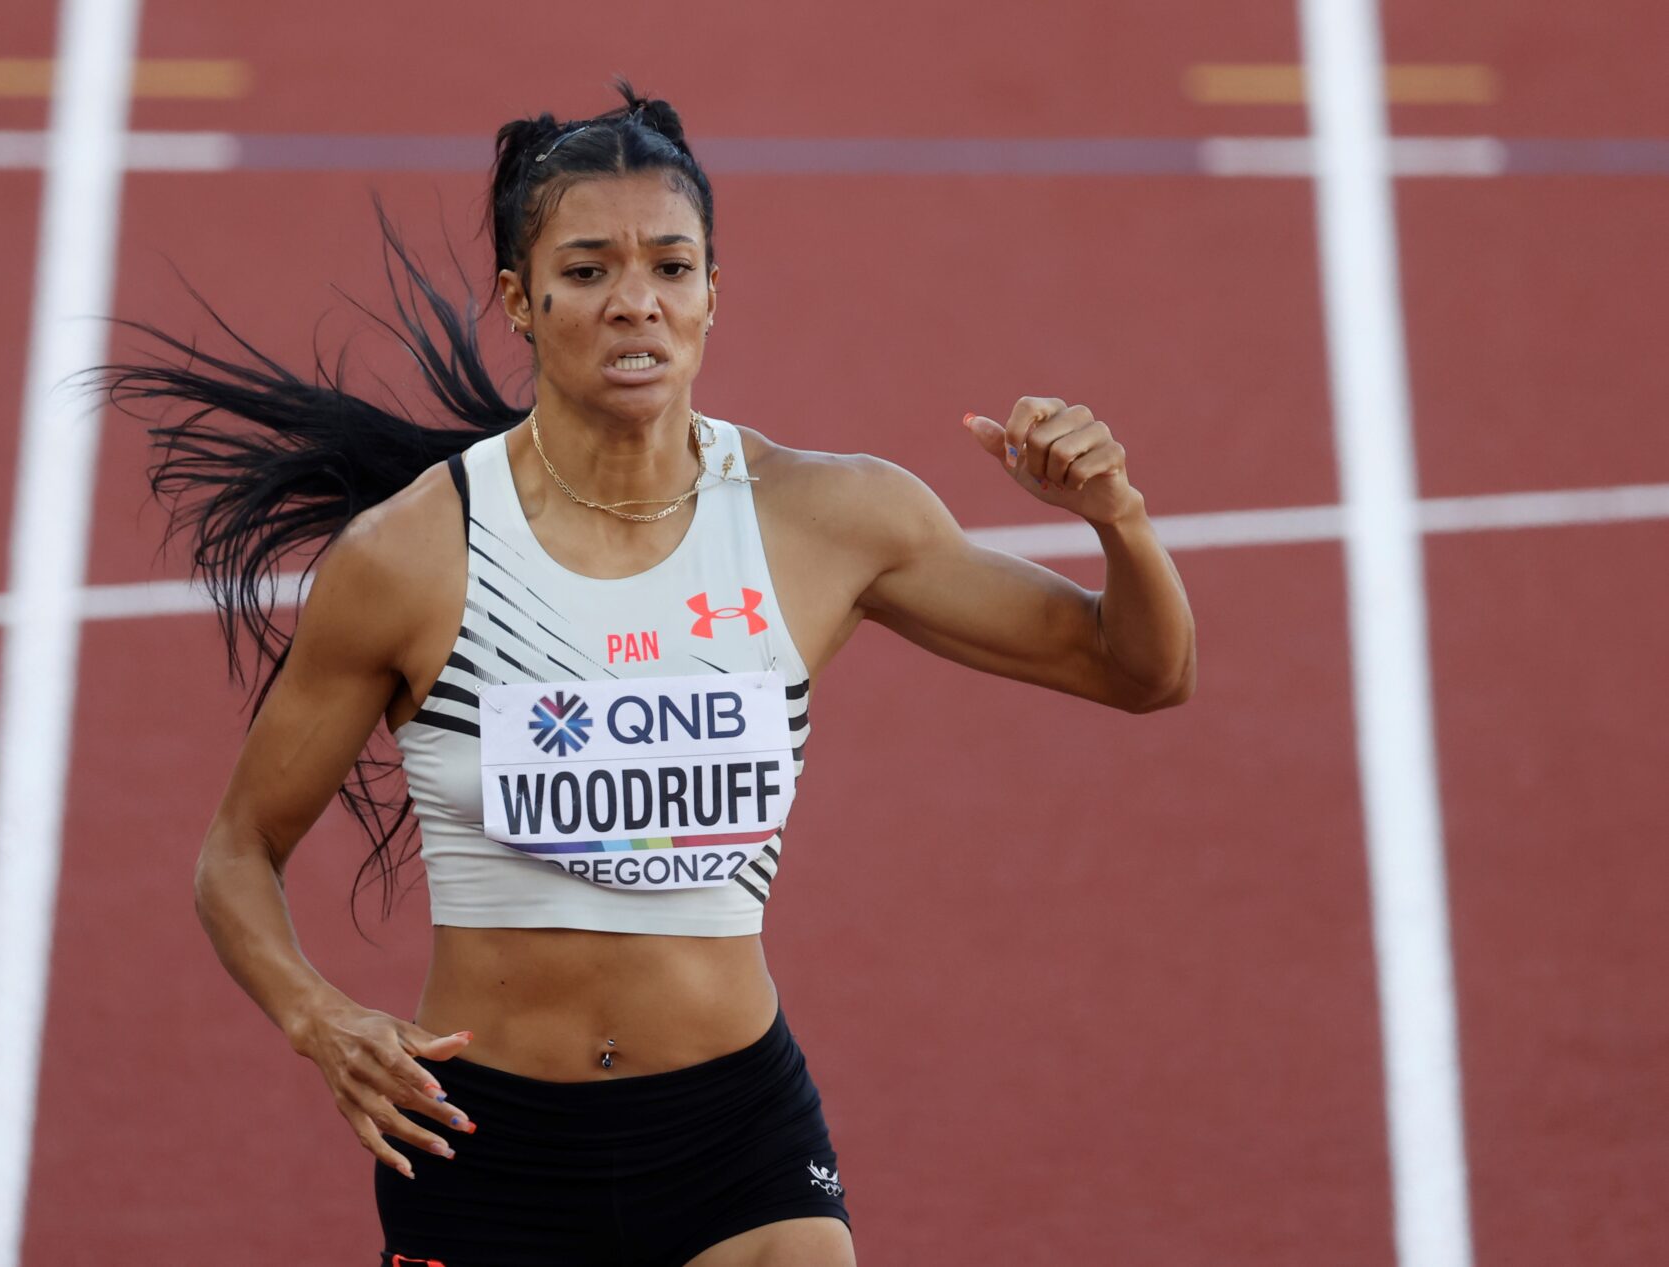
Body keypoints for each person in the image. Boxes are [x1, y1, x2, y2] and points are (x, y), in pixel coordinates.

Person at [96, 79, 1194, 1267]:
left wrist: (1117, 518)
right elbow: (237, 854)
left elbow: (1137, 669)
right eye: (587, 271)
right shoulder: (412, 557)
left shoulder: (828, 519)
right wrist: (318, 1016)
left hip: (735, 1140)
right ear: (519, 300)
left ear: (713, 292)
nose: (636, 302)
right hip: (490, 1149)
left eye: (671, 267)